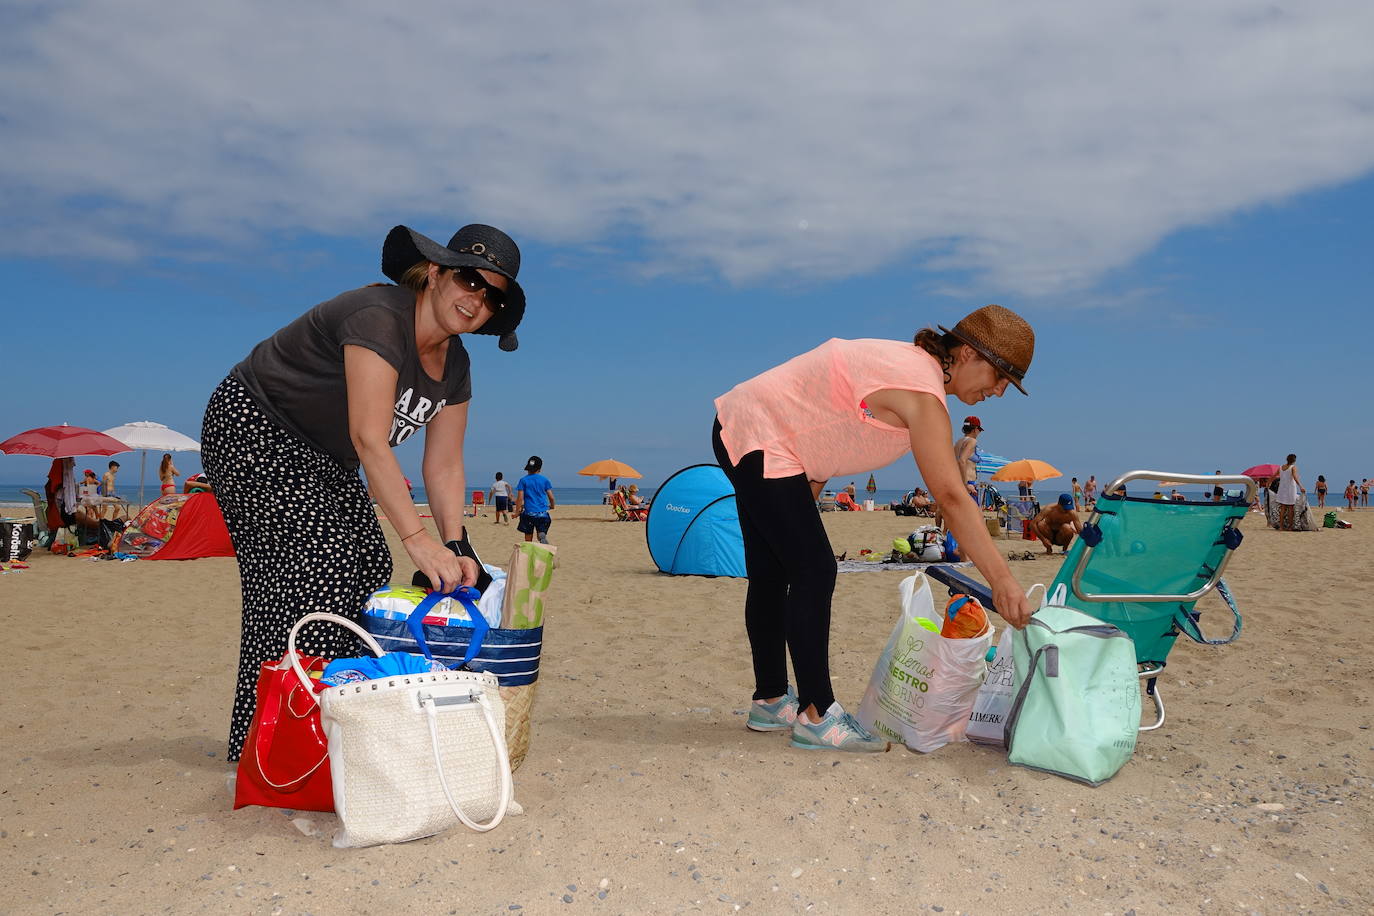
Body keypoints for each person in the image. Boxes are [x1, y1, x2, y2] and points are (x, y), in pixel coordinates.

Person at [200, 222, 528, 762]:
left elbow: (444, 465)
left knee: (368, 567)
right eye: (470, 279)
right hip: (254, 424)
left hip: (327, 456)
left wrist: (456, 542)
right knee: (315, 574)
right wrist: (418, 540)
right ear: (436, 272)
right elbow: (370, 439)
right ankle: (283, 743)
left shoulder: (458, 365)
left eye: (492, 296)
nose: (477, 300)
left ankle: (304, 732)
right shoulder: (379, 318)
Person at [712, 304, 1036, 753]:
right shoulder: (920, 391)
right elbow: (951, 496)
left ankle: (771, 701)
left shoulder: (909, 370)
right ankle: (817, 716)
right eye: (1001, 377)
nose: (999, 391)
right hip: (761, 435)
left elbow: (819, 421)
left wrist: (790, 514)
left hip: (753, 428)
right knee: (814, 570)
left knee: (774, 571)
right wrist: (1001, 580)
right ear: (966, 354)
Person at [515, 455, 555, 544]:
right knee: (540, 531)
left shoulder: (523, 480)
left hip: (529, 514)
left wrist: (517, 512)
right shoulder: (545, 480)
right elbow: (551, 497)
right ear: (540, 469)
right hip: (542, 514)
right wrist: (552, 506)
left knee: (528, 538)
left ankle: (529, 552)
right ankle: (541, 536)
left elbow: (520, 498)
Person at [953, 416, 982, 500]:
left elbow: (954, 462)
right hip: (968, 483)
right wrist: (965, 484)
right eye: (979, 430)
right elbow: (962, 461)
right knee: (973, 512)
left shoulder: (958, 442)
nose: (979, 433)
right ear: (975, 429)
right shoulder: (972, 441)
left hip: (958, 481)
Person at [1275, 454, 1304, 531]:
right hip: (1290, 489)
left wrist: (1268, 483)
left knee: (1283, 508)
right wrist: (1301, 486)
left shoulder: (1281, 467)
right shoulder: (1293, 467)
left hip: (1282, 489)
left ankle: (1281, 527)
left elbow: (1274, 475)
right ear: (1294, 460)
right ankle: (1290, 527)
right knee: (1291, 508)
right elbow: (1294, 477)